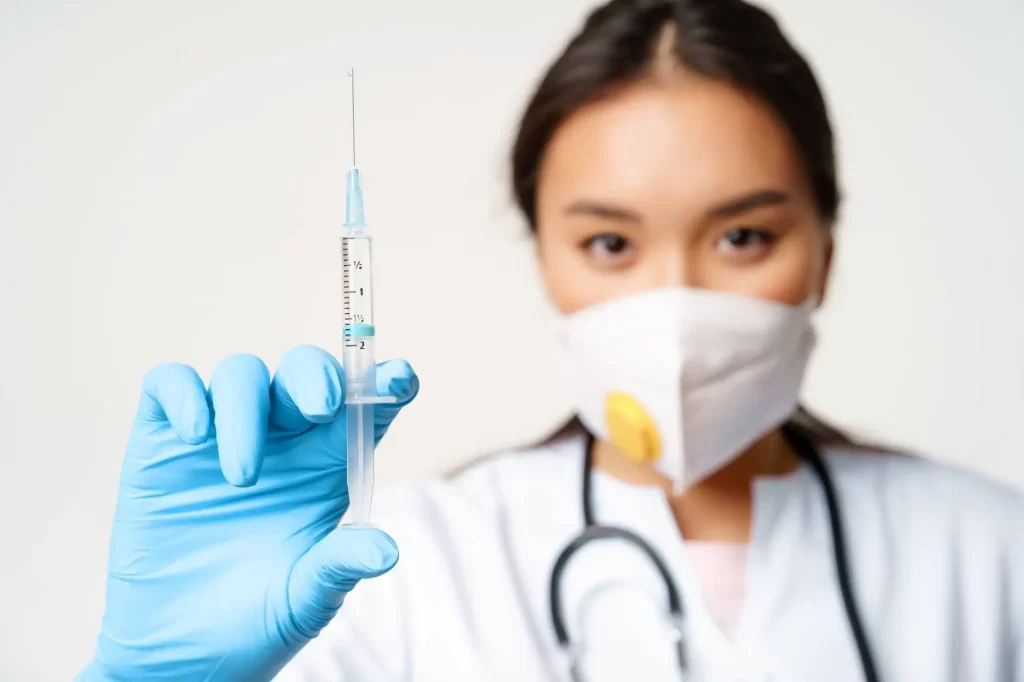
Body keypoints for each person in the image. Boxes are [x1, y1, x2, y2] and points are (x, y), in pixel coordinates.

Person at [78, 0, 1024, 680]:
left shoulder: (990, 555)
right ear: (543, 257)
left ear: (825, 248)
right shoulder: (392, 568)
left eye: (742, 236)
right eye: (610, 243)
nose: (673, 305)